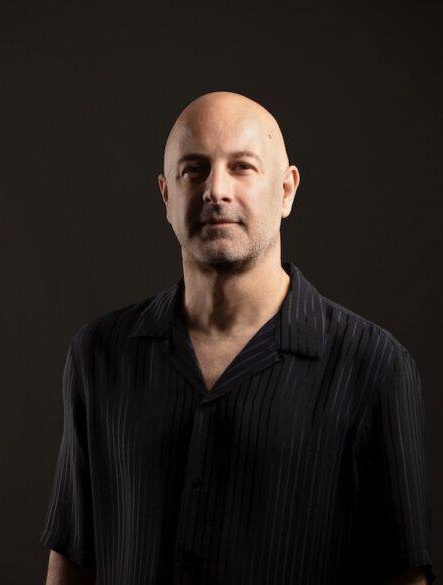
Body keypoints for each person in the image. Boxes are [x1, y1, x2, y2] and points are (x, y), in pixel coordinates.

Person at [40, 91, 435, 585]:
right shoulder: (100, 355)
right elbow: (73, 558)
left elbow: (403, 573)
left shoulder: (375, 367)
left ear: (286, 191)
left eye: (242, 167)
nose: (216, 190)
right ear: (166, 196)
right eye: (194, 169)